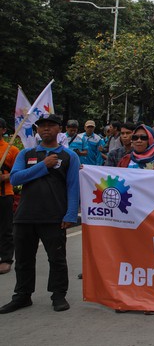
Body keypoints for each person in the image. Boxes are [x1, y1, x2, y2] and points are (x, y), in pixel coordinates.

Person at [1, 115, 79, 313]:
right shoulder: (26, 154)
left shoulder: (69, 156)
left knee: (57, 258)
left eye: (50, 126)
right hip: (25, 215)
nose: (46, 130)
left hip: (54, 216)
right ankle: (22, 295)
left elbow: (73, 186)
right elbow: (16, 178)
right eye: (42, 126)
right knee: (24, 258)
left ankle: (58, 295)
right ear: (37, 130)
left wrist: (70, 215)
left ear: (59, 129)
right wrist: (43, 165)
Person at [0, 118, 20, 275]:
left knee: (6, 228)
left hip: (4, 194)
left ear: (3, 130)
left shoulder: (11, 150)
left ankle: (6, 259)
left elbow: (18, 173)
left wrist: (5, 177)